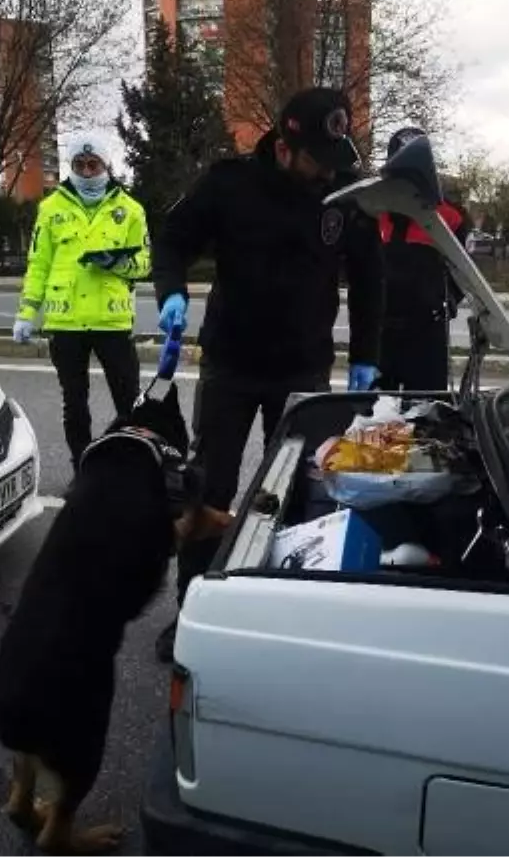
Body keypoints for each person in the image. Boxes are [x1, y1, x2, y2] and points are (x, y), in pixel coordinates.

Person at [151, 87, 384, 661]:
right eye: (317, 158)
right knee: (211, 488)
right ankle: (193, 608)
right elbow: (172, 239)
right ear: (285, 145)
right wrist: (173, 292)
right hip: (232, 364)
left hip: (303, 368)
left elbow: (371, 277)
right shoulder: (229, 184)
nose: (326, 171)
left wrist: (365, 354)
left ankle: (286, 607)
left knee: (303, 493)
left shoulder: (343, 193)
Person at [13, 133, 152, 473]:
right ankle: (83, 469)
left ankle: (128, 469)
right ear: (71, 168)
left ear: (106, 166)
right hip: (66, 323)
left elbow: (145, 263)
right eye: (80, 165)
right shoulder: (50, 209)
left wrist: (116, 263)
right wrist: (27, 312)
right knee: (75, 405)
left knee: (129, 403)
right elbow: (39, 264)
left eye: (94, 165)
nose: (88, 173)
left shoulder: (130, 210)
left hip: (112, 323)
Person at [375, 128, 470, 394]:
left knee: (427, 408)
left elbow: (464, 271)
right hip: (382, 332)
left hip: (426, 332)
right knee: (375, 414)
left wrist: (446, 300)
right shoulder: (375, 210)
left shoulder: (448, 217)